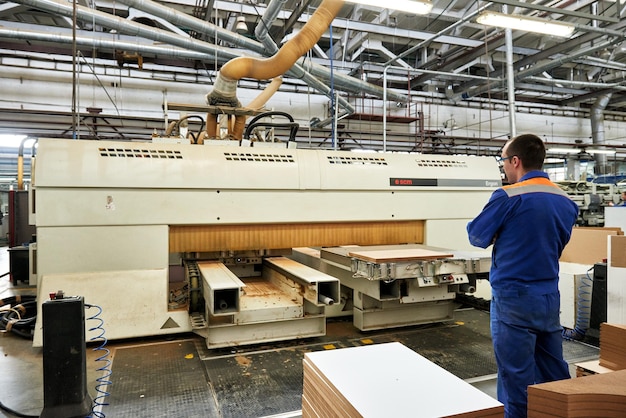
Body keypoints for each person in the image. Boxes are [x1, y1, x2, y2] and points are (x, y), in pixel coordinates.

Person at [466, 134, 579, 418]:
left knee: (516, 378)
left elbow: (476, 236)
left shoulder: (508, 196)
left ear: (515, 161)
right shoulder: (566, 200)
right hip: (548, 296)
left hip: (513, 300)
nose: (503, 167)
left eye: (504, 160)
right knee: (554, 371)